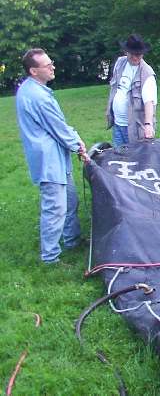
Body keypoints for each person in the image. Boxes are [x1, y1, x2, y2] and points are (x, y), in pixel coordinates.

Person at [15, 48, 89, 264]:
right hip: (48, 160)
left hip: (56, 156)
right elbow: (58, 128)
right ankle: (50, 257)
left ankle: (72, 240)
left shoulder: (31, 89)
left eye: (51, 63)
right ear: (34, 71)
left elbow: (58, 125)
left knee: (70, 200)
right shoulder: (38, 96)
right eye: (47, 65)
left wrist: (74, 142)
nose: (52, 67)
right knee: (55, 208)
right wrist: (79, 147)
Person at [105, 34, 157, 147]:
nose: (135, 57)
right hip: (118, 125)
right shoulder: (120, 63)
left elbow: (149, 102)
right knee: (118, 156)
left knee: (138, 158)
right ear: (126, 52)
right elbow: (115, 88)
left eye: (138, 54)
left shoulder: (147, 73)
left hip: (136, 129)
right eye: (132, 54)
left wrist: (148, 125)